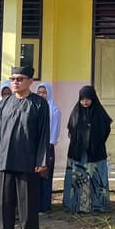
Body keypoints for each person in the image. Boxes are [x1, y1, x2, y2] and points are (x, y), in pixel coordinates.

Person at [0, 67, 50, 229]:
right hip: (5, 160)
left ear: (30, 81)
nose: (15, 82)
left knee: (27, 203)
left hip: (28, 162)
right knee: (4, 202)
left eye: (20, 79)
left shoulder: (39, 104)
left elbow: (44, 133)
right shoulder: (4, 104)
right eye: (13, 78)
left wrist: (42, 159)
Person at [63, 85, 113, 213]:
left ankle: (98, 205)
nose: (85, 102)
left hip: (95, 153)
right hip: (78, 153)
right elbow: (71, 130)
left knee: (96, 178)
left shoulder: (100, 114)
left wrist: (94, 140)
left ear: (93, 99)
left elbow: (105, 130)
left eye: (88, 99)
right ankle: (76, 205)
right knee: (78, 178)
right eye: (82, 99)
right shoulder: (76, 113)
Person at [35, 82, 62, 212]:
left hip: (47, 147)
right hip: (34, 147)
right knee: (34, 177)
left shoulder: (54, 110)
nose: (41, 95)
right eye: (39, 92)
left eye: (44, 92)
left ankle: (44, 206)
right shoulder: (33, 107)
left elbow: (54, 132)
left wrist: (47, 146)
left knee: (45, 177)